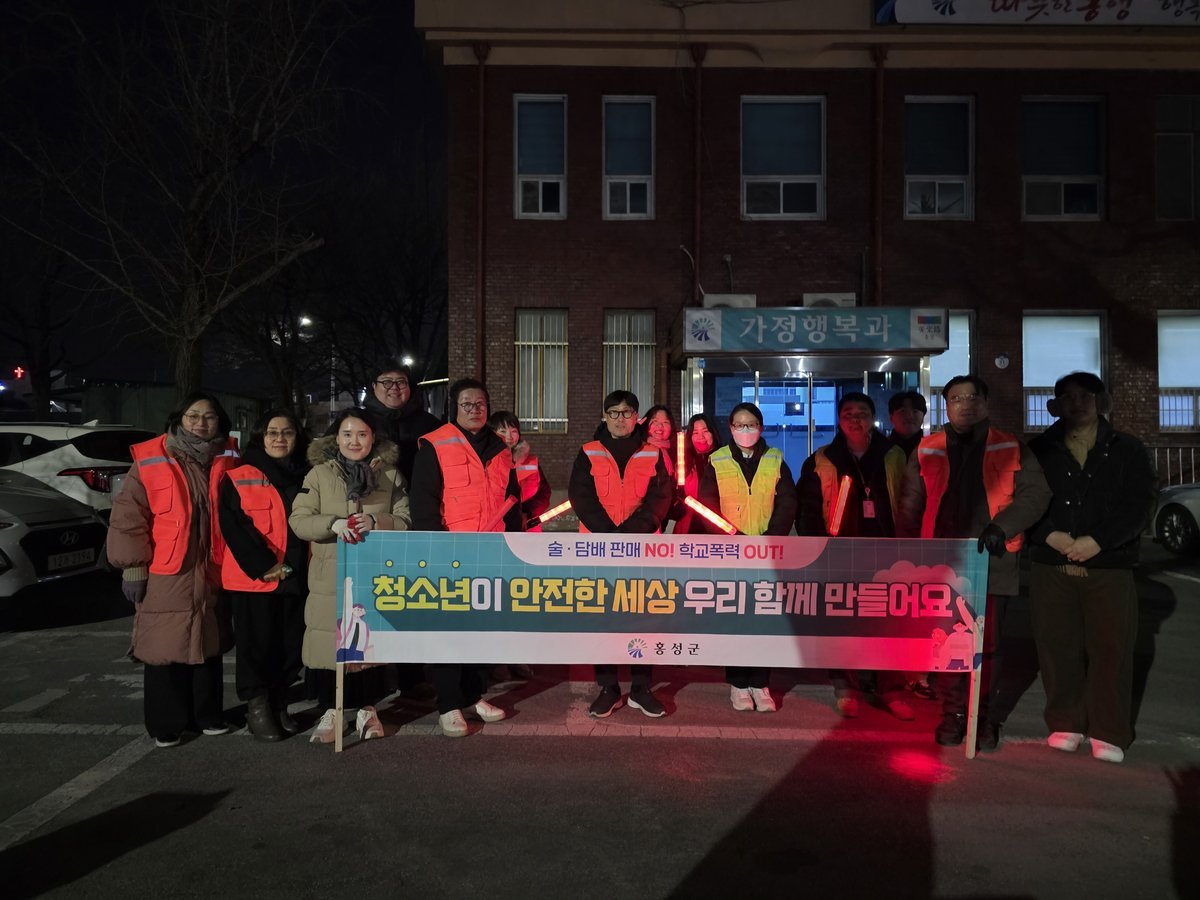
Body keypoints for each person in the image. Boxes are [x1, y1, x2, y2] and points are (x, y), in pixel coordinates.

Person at [899, 375, 1051, 752]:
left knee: (990, 645)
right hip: (942, 562)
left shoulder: (1010, 446)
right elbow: (910, 504)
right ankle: (952, 714)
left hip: (992, 559)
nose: (964, 404)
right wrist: (907, 554)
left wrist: (1003, 526)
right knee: (947, 642)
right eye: (956, 398)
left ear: (985, 402)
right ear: (945, 405)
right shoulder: (928, 448)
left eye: (972, 397)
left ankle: (981, 717)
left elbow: (1036, 495)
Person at [1027, 372, 1157, 764]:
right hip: (1051, 561)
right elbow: (1023, 498)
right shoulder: (1038, 449)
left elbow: (1139, 504)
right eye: (1067, 397)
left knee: (1112, 647)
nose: (1077, 403)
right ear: (1055, 405)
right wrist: (1049, 535)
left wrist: (1098, 540)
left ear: (1101, 401)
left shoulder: (1127, 448)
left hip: (1109, 564)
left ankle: (1109, 729)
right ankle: (1065, 721)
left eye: (1085, 395)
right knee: (1057, 645)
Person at [107, 392, 241, 748]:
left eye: (209, 416)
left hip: (212, 566)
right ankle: (166, 723)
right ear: (179, 419)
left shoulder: (228, 457)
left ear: (220, 421)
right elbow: (128, 516)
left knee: (208, 642)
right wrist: (133, 567)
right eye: (193, 415)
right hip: (168, 568)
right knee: (164, 645)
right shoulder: (153, 458)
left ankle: (207, 714)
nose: (200, 423)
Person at [289, 408, 412, 744]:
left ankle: (367, 709)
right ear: (336, 438)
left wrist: (378, 522)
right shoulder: (319, 474)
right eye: (347, 434)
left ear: (373, 438)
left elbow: (406, 520)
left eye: (361, 434)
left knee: (368, 645)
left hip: (374, 574)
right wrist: (332, 523)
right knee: (330, 643)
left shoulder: (390, 475)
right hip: (330, 575)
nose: (354, 441)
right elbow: (299, 519)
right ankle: (332, 709)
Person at [410, 378, 524, 737]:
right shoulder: (436, 444)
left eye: (480, 404)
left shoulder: (501, 450)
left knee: (480, 629)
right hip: (451, 553)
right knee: (448, 630)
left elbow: (512, 502)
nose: (475, 410)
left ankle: (473, 696)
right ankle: (448, 704)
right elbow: (423, 502)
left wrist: (515, 547)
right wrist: (437, 547)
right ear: (454, 408)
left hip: (490, 553)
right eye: (467, 404)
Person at [797, 393, 913, 721]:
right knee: (842, 621)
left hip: (887, 553)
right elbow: (807, 511)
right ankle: (845, 686)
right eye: (848, 413)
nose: (855, 419)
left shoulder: (894, 455)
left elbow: (910, 499)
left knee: (887, 622)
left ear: (873, 418)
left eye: (862, 412)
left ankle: (890, 688)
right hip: (840, 554)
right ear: (839, 420)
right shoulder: (822, 459)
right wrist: (819, 548)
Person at [569, 390, 673, 718]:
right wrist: (610, 537)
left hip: (642, 550)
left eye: (626, 412)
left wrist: (628, 536)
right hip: (598, 550)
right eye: (613, 412)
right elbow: (581, 497)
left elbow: (660, 500)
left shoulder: (653, 454)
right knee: (604, 619)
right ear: (604, 416)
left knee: (643, 618)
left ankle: (641, 689)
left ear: (636, 418)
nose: (620, 418)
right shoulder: (589, 452)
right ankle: (609, 688)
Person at [217, 408, 311, 742]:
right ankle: (257, 708)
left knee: (290, 645)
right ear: (261, 437)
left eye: (287, 432)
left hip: (298, 575)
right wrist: (263, 565)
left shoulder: (308, 474)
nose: (279, 439)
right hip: (256, 579)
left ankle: (280, 703)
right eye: (272, 432)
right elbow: (233, 526)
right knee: (256, 647)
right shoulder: (240, 475)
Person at [699, 403, 797, 712]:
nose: (745, 429)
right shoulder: (716, 460)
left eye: (751, 424)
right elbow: (707, 506)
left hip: (767, 553)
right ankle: (738, 684)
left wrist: (772, 537)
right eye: (739, 425)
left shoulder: (775, 459)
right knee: (735, 620)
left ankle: (761, 683)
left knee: (765, 620)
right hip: (731, 553)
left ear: (761, 427)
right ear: (730, 428)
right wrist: (733, 538)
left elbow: (788, 502)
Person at [885, 389, 935, 700]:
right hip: (888, 541)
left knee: (923, 612)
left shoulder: (935, 450)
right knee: (889, 612)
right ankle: (888, 673)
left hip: (926, 542)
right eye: (901, 410)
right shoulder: (881, 450)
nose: (909, 415)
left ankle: (920, 674)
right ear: (891, 416)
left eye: (915, 409)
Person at [363, 362, 443, 485]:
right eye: (387, 382)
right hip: (373, 493)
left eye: (401, 382)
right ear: (374, 386)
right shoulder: (359, 421)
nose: (394, 387)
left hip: (421, 493)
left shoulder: (431, 425)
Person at [489, 410, 551, 531]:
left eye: (514, 431)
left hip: (526, 528)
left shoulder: (531, 462)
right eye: (502, 431)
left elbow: (544, 494)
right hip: (494, 527)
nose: (509, 437)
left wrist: (526, 512)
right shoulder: (485, 461)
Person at [674, 412, 724, 534]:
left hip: (719, 526)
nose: (701, 436)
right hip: (688, 527)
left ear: (713, 433)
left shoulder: (724, 460)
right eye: (695, 432)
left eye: (705, 431)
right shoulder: (683, 462)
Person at [887, 390, 927, 460]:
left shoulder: (932, 448)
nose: (909, 416)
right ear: (891, 417)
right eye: (903, 411)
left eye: (915, 411)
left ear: (923, 416)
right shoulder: (881, 448)